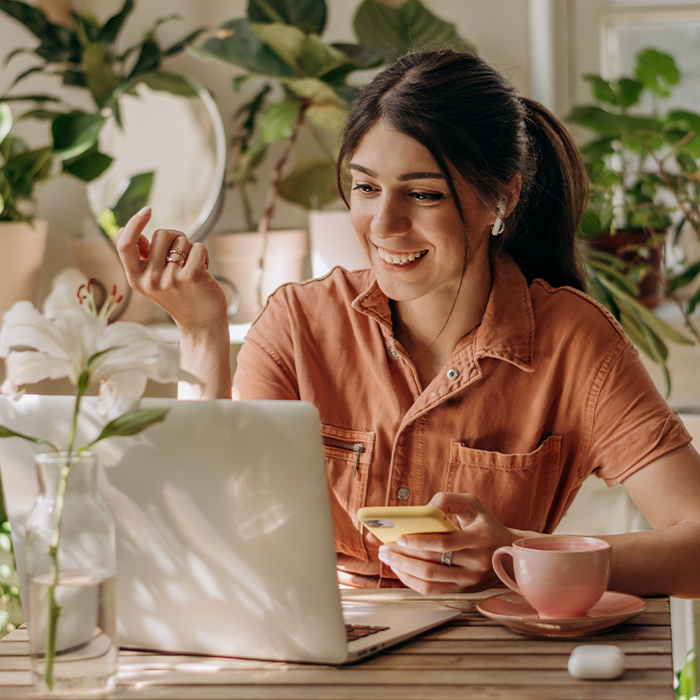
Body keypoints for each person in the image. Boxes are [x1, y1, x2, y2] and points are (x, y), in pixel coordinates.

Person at [117, 49, 700, 596]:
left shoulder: (575, 342)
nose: (383, 224)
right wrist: (199, 331)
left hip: (496, 662)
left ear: (502, 198)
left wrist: (515, 554)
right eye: (366, 187)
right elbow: (199, 525)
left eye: (423, 195)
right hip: (325, 644)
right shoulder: (298, 324)